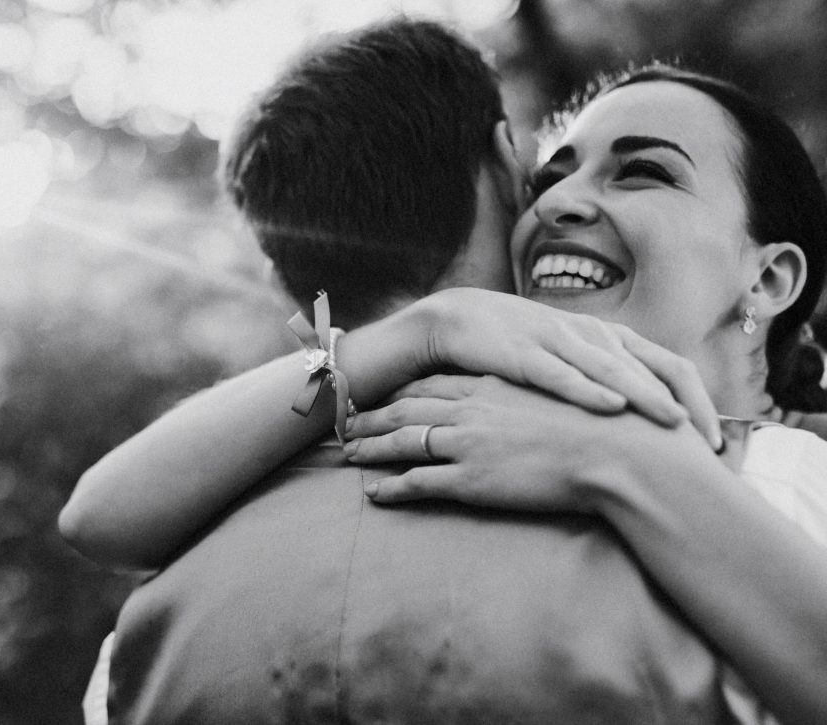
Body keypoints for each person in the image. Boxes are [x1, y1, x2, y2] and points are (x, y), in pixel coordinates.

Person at [62, 21, 773, 725]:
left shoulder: (153, 610)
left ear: (284, 263)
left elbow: (90, 517)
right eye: (545, 174)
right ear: (503, 161)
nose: (559, 202)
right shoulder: (747, 494)